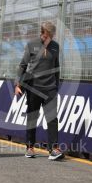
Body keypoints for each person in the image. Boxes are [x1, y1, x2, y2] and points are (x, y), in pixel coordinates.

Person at [14, 21, 65, 160]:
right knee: (32, 118)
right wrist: (17, 84)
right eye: (48, 36)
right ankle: (30, 147)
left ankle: (53, 149)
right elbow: (22, 66)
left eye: (52, 36)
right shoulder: (31, 44)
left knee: (52, 118)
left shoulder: (55, 47)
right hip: (33, 87)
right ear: (42, 33)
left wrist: (56, 85)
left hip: (50, 89)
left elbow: (57, 67)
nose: (50, 39)